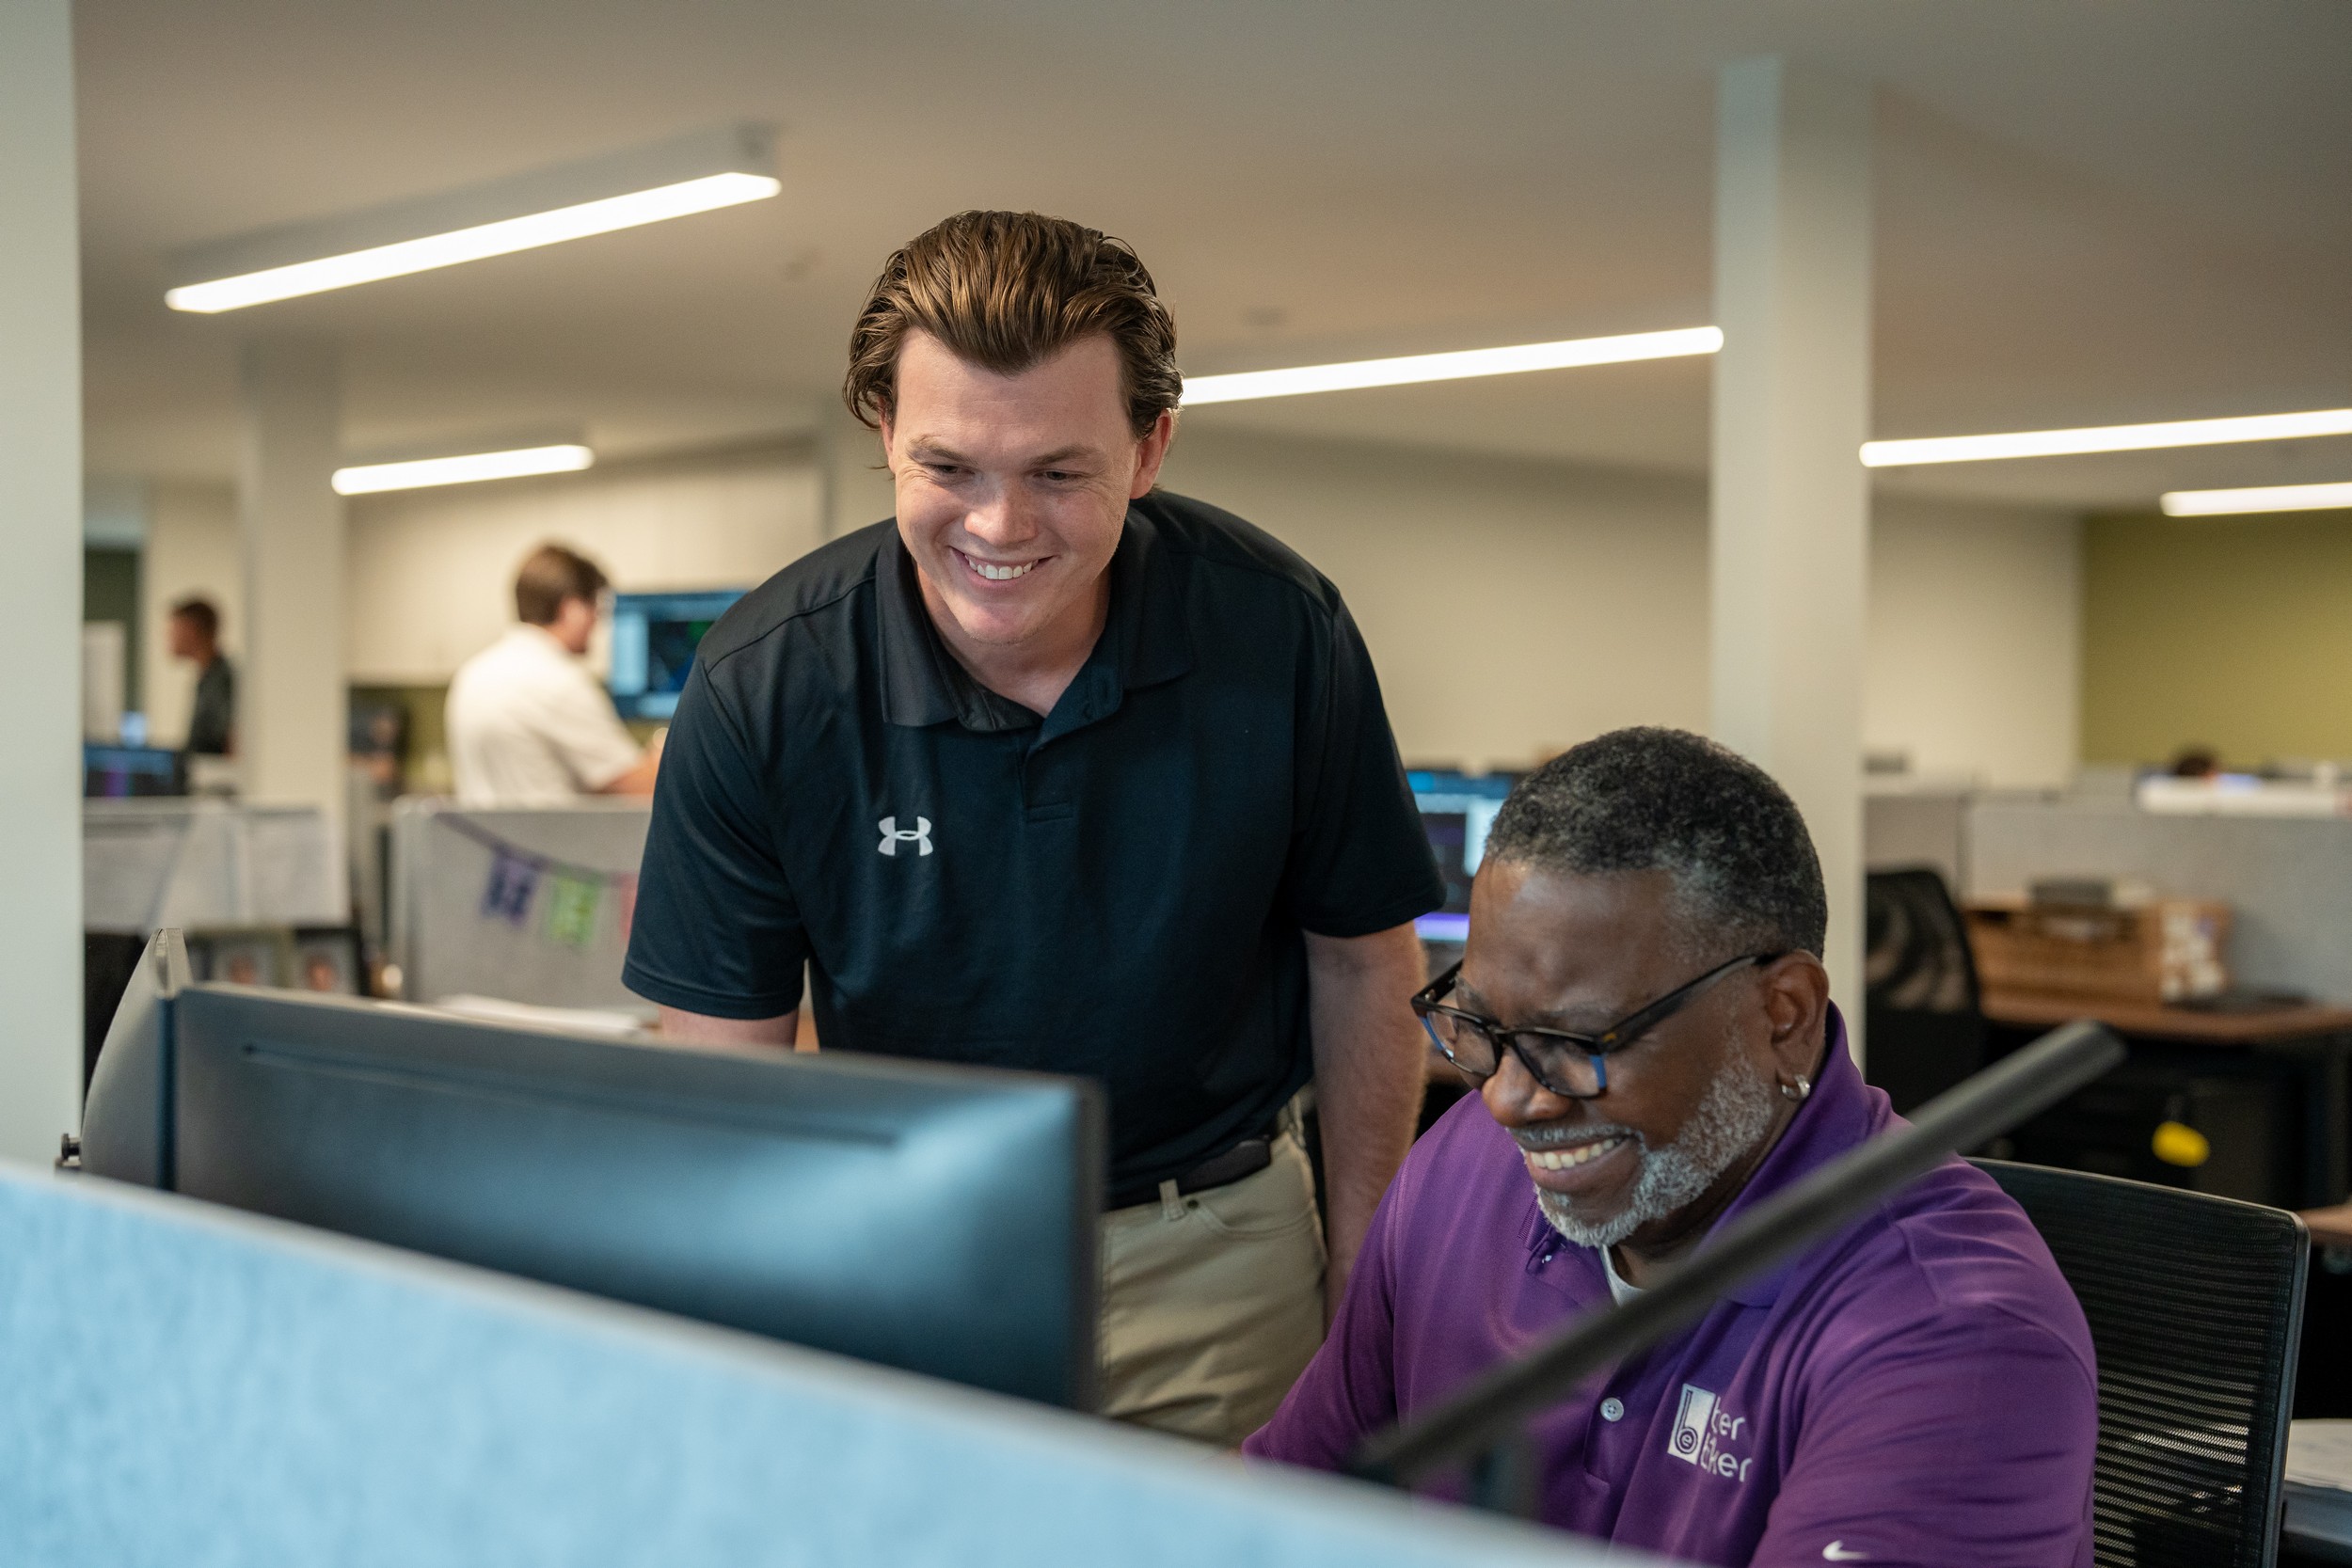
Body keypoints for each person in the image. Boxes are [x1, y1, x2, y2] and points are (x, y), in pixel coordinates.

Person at [624, 211, 1441, 1446]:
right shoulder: (768, 683)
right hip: (898, 1243)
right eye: (950, 468)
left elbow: (1364, 961)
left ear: (1150, 447)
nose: (1000, 527)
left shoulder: (1278, 629)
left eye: (1058, 473)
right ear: (884, 431)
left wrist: (1368, 1292)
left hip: (1214, 1248)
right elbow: (724, 1069)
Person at [1246, 728, 2098, 1566]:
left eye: (1575, 1041)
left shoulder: (1953, 1332)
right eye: (1481, 1026)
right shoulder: (1464, 1164)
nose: (1506, 1099)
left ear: (1784, 1014)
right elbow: (1277, 1513)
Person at [446, 543, 660, 806]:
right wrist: (664, 755)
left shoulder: (471, 675)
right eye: (596, 609)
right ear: (572, 609)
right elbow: (636, 786)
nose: (598, 622)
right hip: (548, 835)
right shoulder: (560, 682)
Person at [167, 595, 234, 756]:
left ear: (190, 630)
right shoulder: (207, 676)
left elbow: (228, 741)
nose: (170, 638)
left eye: (174, 630)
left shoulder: (221, 679)